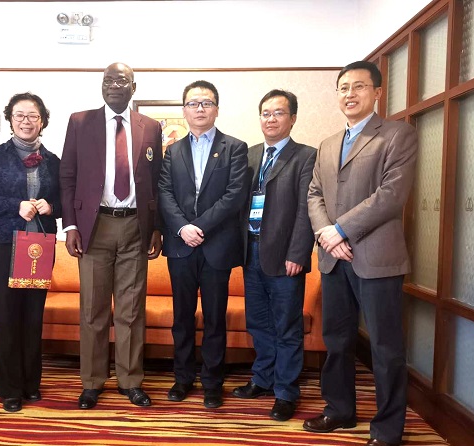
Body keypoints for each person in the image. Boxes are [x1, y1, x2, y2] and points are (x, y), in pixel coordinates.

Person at [305, 61, 417, 446]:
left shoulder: (398, 135)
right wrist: (326, 234)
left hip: (377, 258)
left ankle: (387, 432)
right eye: (343, 87)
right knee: (336, 341)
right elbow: (314, 194)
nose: (349, 94)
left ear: (377, 92)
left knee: (386, 348)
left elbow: (391, 195)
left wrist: (341, 230)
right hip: (334, 258)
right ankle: (339, 409)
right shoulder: (328, 143)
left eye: (358, 86)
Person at [59, 62, 163, 410]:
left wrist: (157, 227)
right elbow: (67, 175)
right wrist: (70, 226)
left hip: (135, 226)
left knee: (131, 310)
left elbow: (157, 181)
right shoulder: (80, 121)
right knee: (93, 309)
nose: (114, 85)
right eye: (108, 80)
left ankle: (130, 380)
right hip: (94, 226)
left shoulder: (150, 127)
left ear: (134, 87)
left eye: (122, 80)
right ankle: (92, 381)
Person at [158, 80, 248, 409]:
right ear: (184, 110)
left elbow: (235, 195)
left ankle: (212, 382)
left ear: (216, 109)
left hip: (216, 246)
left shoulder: (234, 147)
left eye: (206, 103)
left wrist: (200, 226)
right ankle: (182, 378)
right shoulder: (172, 151)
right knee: (181, 317)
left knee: (214, 319)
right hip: (181, 246)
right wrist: (183, 228)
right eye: (193, 103)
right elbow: (164, 193)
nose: (200, 109)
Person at [0, 92, 61, 413]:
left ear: (43, 121)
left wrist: (52, 207)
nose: (26, 121)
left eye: (33, 116)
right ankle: (9, 388)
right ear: (10, 120)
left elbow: (67, 200)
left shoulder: (53, 161)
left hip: (39, 245)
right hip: (3, 245)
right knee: (7, 316)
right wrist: (16, 205)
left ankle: (30, 382)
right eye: (20, 115)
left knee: (33, 315)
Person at [234, 90, 316, 421]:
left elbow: (306, 210)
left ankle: (285, 392)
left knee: (287, 325)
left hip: (285, 256)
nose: (271, 119)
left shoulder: (306, 156)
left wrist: (298, 253)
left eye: (279, 113)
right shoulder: (250, 154)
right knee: (258, 322)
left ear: (292, 118)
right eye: (266, 113)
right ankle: (262, 379)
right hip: (250, 251)